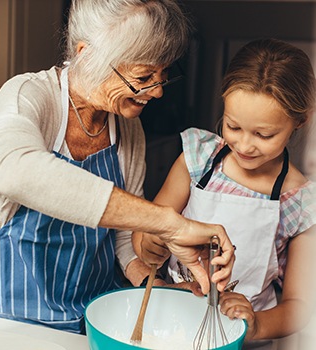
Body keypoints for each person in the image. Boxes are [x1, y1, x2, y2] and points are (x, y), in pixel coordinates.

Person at [0, 0, 235, 335]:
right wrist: (169, 223)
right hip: (4, 323)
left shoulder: (127, 128)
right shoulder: (29, 96)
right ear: (87, 54)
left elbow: (122, 239)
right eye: (144, 76)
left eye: (163, 75)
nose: (158, 91)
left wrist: (155, 285)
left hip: (88, 320)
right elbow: (13, 171)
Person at [132, 38, 316, 346]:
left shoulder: (300, 202)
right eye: (233, 127)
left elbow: (299, 306)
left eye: (264, 134)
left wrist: (255, 325)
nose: (244, 145)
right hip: (171, 326)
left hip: (244, 342)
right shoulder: (197, 159)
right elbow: (147, 234)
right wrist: (150, 244)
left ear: (299, 121)